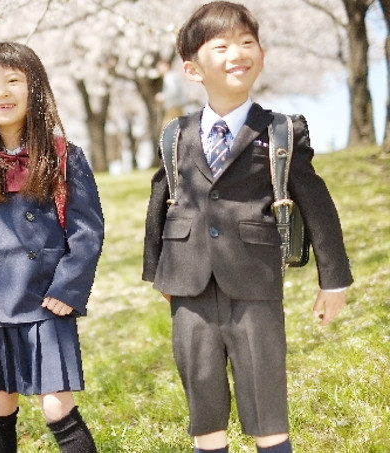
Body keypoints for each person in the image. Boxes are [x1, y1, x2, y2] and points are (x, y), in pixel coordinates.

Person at [142, 3, 353, 453]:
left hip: (255, 282)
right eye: (220, 46)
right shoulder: (176, 135)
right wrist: (157, 273)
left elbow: (318, 206)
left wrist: (333, 280)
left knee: (265, 395)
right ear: (192, 69)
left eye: (246, 43)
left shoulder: (280, 132)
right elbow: (160, 200)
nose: (237, 53)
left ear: (261, 53)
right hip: (188, 284)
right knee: (203, 399)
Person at [0, 41, 104, 453]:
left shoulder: (64, 155)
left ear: (36, 88)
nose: (2, 92)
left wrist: (68, 289)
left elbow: (87, 230)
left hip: (47, 299)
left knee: (57, 406)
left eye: (14, 80)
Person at [155, 58, 186, 128]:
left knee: (168, 130)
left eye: (160, 67)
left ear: (167, 66)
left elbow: (173, 91)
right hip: (177, 107)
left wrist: (162, 97)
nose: (159, 69)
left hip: (173, 109)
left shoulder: (169, 77)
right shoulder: (172, 76)